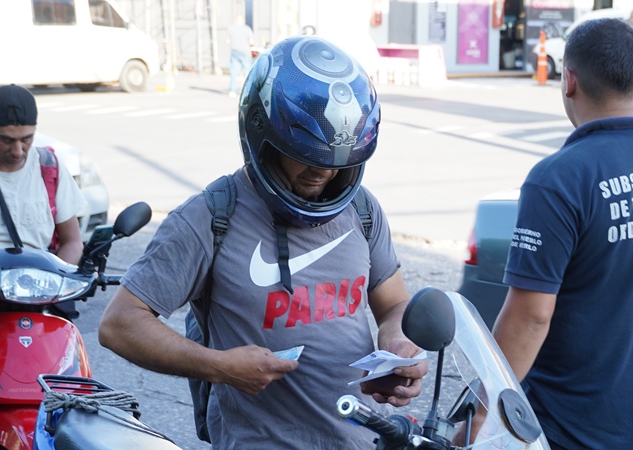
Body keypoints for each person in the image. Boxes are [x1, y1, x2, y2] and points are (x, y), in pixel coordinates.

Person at [98, 36, 428, 449]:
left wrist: (396, 342)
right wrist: (218, 366)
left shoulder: (361, 209)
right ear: (262, 135)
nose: (322, 173)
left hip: (364, 438)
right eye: (305, 156)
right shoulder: (209, 217)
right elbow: (119, 324)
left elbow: (394, 303)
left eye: (334, 162)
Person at [492, 18, 633, 449]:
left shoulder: (558, 178)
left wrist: (485, 410)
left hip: (569, 432)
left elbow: (531, 315)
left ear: (569, 80)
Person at [0, 85, 87, 317]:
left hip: (38, 300)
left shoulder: (49, 167)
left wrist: (57, 282)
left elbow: (72, 241)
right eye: (6, 140)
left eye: (26, 139)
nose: (18, 151)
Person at [226, 14, 254, 98]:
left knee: (234, 72)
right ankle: (247, 92)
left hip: (235, 52)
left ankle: (232, 91)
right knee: (247, 72)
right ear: (243, 21)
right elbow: (251, 42)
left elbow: (227, 41)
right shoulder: (247, 29)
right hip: (245, 52)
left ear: (236, 20)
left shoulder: (231, 28)